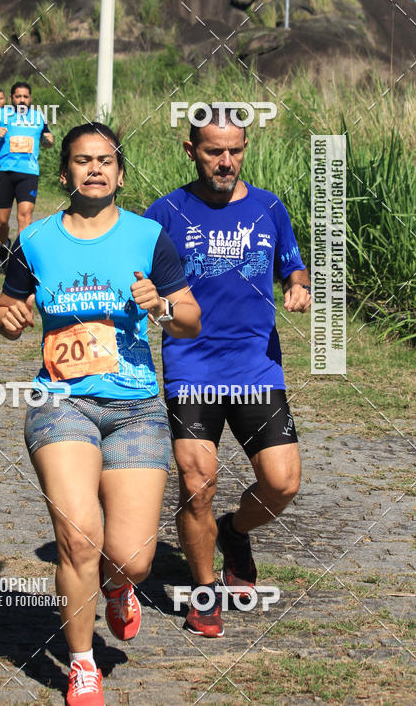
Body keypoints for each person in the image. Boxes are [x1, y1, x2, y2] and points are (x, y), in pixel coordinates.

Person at [0, 123, 200, 706]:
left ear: (120, 173)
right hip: (61, 403)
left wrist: (161, 304)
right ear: (65, 174)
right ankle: (82, 663)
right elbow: (7, 306)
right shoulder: (35, 241)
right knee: (79, 537)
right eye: (82, 161)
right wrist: (7, 317)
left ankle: (117, 587)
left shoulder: (149, 237)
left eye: (105, 160)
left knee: (133, 557)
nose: (94, 169)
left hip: (135, 407)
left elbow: (190, 319)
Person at [144, 107, 311, 638]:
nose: (226, 161)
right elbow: (140, 281)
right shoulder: (166, 212)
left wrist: (298, 285)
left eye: (235, 150)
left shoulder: (269, 208)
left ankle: (234, 533)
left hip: (256, 368)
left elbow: (292, 262)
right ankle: (203, 589)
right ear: (191, 150)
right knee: (198, 485)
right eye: (214, 150)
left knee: (282, 484)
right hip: (191, 368)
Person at [0, 81, 53, 270]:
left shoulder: (38, 117)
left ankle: (19, 258)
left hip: (28, 172)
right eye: (18, 96)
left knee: (25, 216)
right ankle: (4, 245)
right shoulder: (0, 115)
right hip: (4, 171)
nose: (22, 100)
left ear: (30, 99)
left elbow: (46, 141)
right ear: (11, 98)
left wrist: (48, 141)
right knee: (1, 220)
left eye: (25, 97)